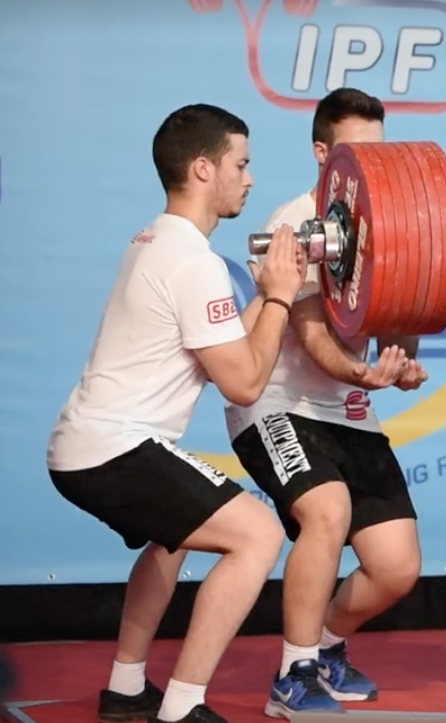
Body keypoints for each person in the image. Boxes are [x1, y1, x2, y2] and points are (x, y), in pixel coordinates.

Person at [46, 104, 306, 723]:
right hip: (113, 447)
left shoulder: (155, 239)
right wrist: (280, 298)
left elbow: (224, 354)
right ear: (202, 169)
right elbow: (244, 384)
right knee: (258, 535)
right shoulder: (194, 263)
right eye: (240, 164)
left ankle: (126, 688)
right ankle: (183, 707)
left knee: (174, 539)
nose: (249, 178)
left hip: (87, 444)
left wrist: (267, 296)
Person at [224, 88, 428, 720]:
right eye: (356, 152)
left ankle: (328, 646)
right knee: (327, 510)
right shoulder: (294, 224)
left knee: (396, 567)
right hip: (276, 404)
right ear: (323, 154)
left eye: (379, 152)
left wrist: (400, 363)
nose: (371, 166)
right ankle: (295, 672)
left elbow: (400, 321)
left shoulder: (388, 222)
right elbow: (312, 333)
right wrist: (364, 373)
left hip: (347, 411)